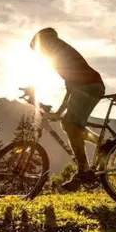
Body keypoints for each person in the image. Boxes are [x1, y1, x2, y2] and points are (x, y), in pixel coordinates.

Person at [30, 27, 105, 191]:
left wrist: (58, 110)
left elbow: (71, 87)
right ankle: (102, 144)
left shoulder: (58, 54)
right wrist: (59, 112)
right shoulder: (61, 52)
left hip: (89, 86)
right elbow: (70, 86)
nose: (40, 53)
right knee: (68, 124)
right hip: (89, 85)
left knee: (71, 124)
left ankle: (83, 170)